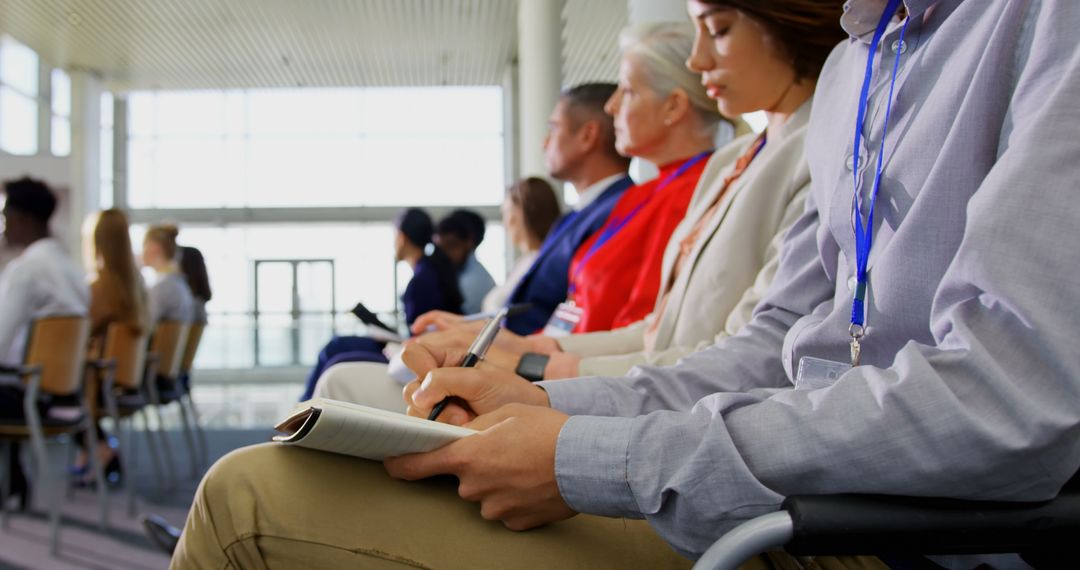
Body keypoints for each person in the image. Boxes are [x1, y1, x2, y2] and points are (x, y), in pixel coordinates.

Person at [175, 0, 1080, 568]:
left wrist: (575, 438)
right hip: (776, 480)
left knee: (249, 497)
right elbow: (769, 349)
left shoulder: (1038, 25)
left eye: (716, 29)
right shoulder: (861, 67)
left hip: (863, 524)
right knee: (310, 452)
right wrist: (545, 404)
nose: (697, 60)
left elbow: (1006, 399)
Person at [420, 83, 634, 336]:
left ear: (588, 136)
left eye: (554, 129)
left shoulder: (622, 211)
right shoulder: (578, 216)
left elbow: (574, 314)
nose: (545, 143)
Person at [560, 22, 721, 334]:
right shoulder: (644, 194)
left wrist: (533, 358)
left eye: (628, 91)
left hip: (591, 373)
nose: (611, 106)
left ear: (673, 106)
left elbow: (642, 329)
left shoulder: (693, 195)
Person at [298, 208, 463, 401]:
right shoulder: (431, 271)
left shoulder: (421, 281)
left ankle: (300, 414)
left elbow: (422, 334)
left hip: (415, 352)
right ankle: (303, 413)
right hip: (415, 346)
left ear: (401, 237)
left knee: (335, 349)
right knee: (337, 347)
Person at [0, 177, 89, 511]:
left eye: (6, 216)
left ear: (23, 219)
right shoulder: (71, 269)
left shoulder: (26, 270)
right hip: (64, 392)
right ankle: (12, 479)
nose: (4, 225)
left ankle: (11, 480)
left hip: (29, 395)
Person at [73, 208, 150, 484]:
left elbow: (79, 334)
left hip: (101, 385)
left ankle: (101, 448)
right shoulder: (137, 285)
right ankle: (92, 450)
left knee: (53, 390)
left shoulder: (100, 287)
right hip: (128, 379)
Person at [480, 177, 562, 313]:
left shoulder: (544, 265)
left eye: (506, 213)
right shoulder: (524, 262)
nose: (505, 222)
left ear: (521, 214)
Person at [434, 209, 495, 315]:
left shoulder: (471, 282)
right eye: (440, 248)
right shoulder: (458, 273)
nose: (444, 254)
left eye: (451, 245)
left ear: (469, 242)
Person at [142, 224, 195, 327]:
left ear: (154, 247)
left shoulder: (163, 287)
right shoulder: (178, 283)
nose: (142, 251)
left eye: (144, 245)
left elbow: (143, 325)